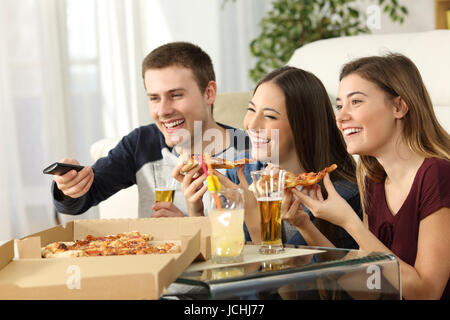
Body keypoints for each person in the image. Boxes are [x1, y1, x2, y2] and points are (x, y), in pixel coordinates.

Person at [291, 53, 450, 300]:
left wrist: (349, 222)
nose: (341, 117)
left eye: (356, 102)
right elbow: (368, 290)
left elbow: (426, 292)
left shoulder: (437, 175)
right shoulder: (373, 182)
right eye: (340, 105)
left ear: (398, 107)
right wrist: (305, 224)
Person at [51, 42, 248, 218]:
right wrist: (69, 185)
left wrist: (188, 228)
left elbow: (264, 237)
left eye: (176, 95)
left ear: (209, 93)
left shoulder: (251, 151)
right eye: (154, 98)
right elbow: (83, 198)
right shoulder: (141, 144)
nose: (163, 111)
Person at [174, 66, 362, 249]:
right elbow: (221, 252)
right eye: (252, 110)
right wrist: (196, 208)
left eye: (270, 116)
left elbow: (294, 276)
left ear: (304, 128)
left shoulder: (342, 195)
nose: (252, 125)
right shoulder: (243, 172)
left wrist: (252, 210)